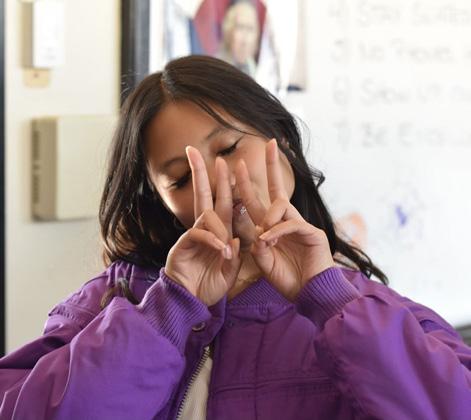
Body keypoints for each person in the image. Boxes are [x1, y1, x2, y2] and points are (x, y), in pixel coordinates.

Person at [1, 55, 470, 420]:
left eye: (228, 148)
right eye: (183, 178)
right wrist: (169, 310)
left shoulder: (361, 305)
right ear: (160, 202)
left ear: (281, 141)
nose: (218, 181)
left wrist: (330, 301)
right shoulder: (112, 300)